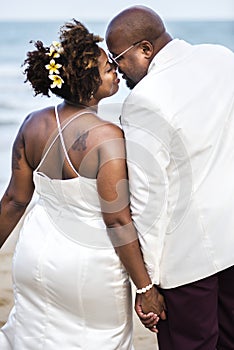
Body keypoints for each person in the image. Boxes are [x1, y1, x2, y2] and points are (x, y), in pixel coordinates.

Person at [0, 19, 165, 349]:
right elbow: (117, 219)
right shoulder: (107, 137)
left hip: (33, 255)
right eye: (107, 68)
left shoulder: (32, 123)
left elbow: (14, 202)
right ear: (90, 83)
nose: (116, 70)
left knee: (34, 336)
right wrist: (146, 289)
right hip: (88, 266)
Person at [106, 5, 234, 350]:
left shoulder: (145, 100)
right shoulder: (222, 57)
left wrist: (148, 284)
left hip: (188, 260)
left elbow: (149, 200)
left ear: (145, 49)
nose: (119, 73)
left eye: (119, 60)